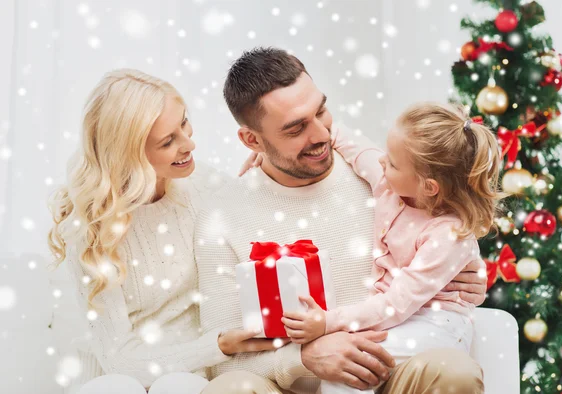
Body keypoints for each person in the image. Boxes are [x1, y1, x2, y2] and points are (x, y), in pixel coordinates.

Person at [197, 47, 487, 394]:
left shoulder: (382, 178)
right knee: (230, 389)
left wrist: (468, 273)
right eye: (295, 129)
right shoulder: (223, 216)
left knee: (453, 371)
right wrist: (304, 358)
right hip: (288, 385)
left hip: (383, 368)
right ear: (252, 140)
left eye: (321, 110)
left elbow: (443, 229)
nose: (321, 135)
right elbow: (221, 356)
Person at [47, 69, 284, 394]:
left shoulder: (201, 185)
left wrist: (272, 164)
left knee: (177, 387)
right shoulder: (89, 228)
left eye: (184, 123)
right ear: (128, 154)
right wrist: (217, 346)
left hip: (185, 375)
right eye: (167, 141)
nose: (189, 144)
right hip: (115, 377)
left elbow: (264, 224)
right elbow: (118, 360)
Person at [277, 104, 502, 394]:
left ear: (429, 187)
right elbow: (352, 145)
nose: (383, 162)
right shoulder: (389, 185)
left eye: (394, 163)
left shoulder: (449, 235)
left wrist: (327, 322)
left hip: (438, 325)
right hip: (399, 319)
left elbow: (397, 302)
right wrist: (270, 149)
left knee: (349, 367)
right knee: (348, 368)